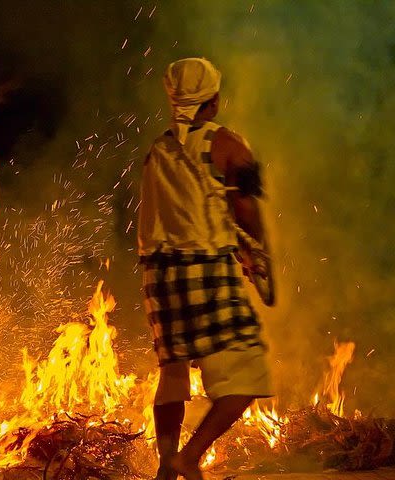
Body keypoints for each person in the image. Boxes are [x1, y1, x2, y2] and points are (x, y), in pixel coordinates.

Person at [137, 58, 273, 480]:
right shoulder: (227, 143)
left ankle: (164, 465)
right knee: (248, 377)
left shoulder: (158, 149)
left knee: (173, 374)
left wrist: (238, 247)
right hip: (206, 271)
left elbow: (183, 212)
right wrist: (260, 247)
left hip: (159, 276)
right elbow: (245, 206)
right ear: (213, 102)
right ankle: (189, 456)